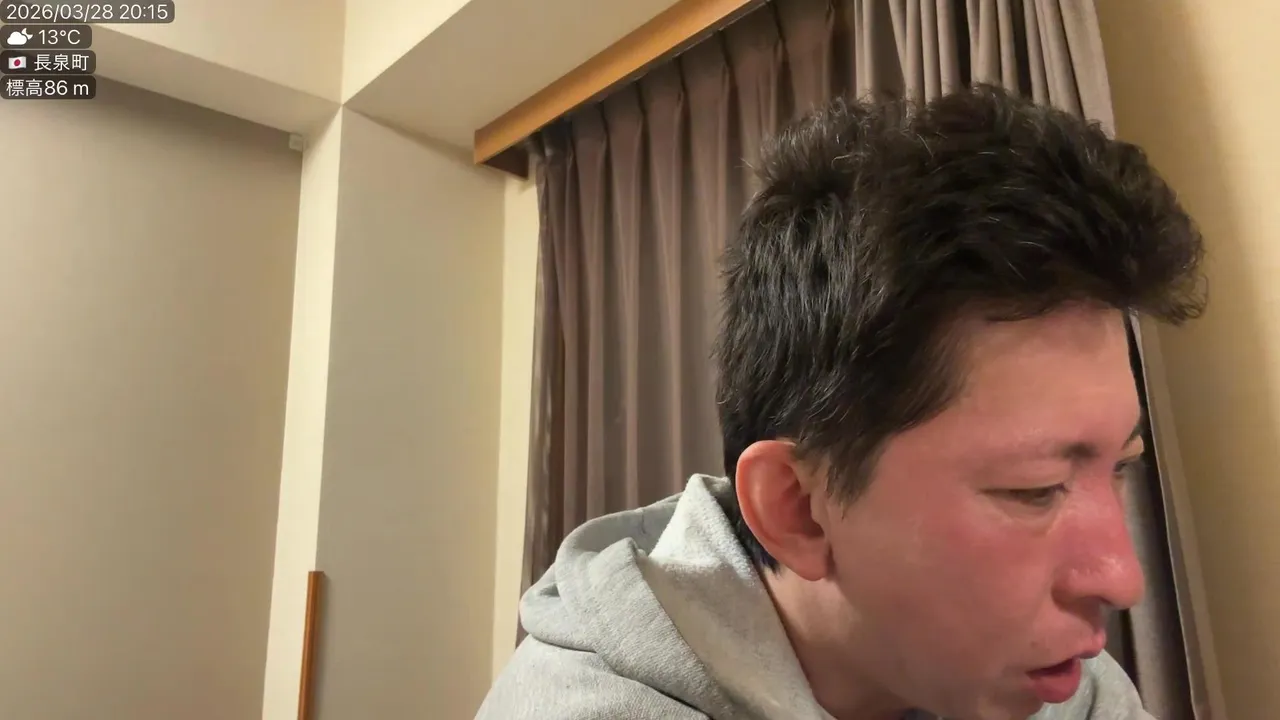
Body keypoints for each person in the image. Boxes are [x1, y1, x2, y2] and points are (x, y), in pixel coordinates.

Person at [476, 85, 1206, 720]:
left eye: (1118, 467)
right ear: (798, 508)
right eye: (1034, 489)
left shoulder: (1053, 679)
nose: (1121, 577)